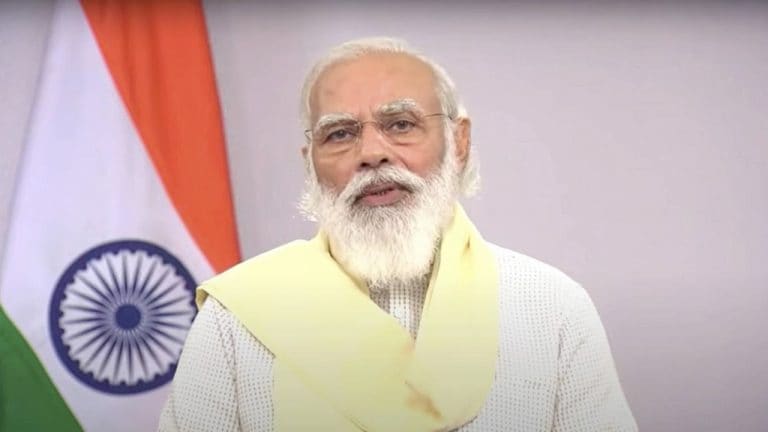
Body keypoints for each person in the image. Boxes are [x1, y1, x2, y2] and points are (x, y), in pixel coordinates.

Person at [159, 37, 637, 432]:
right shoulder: (235, 320)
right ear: (310, 163)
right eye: (340, 134)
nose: (372, 153)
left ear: (459, 142)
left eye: (401, 124)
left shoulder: (551, 308)